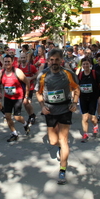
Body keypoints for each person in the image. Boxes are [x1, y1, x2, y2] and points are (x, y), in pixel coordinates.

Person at [35, 49, 80, 185]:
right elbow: (38, 92)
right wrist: (42, 106)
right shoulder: (43, 75)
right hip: (50, 109)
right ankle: (61, 148)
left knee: (63, 139)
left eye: (57, 60)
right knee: (53, 141)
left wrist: (74, 103)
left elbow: (76, 89)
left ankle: (62, 169)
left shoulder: (68, 74)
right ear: (48, 60)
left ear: (62, 60)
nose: (54, 63)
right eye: (51, 60)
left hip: (65, 108)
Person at [0, 55, 31, 142]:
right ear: (3, 62)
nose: (7, 63)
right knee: (7, 116)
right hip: (7, 97)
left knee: (17, 117)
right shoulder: (1, 72)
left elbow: (27, 83)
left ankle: (25, 123)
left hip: (18, 97)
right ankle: (14, 133)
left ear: (12, 62)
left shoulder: (17, 72)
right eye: (5, 62)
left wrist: (26, 97)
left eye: (8, 61)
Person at [78, 58, 100, 142]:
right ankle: (85, 134)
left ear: (90, 65)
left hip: (93, 97)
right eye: (84, 64)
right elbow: (76, 86)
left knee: (92, 118)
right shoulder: (80, 75)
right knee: (84, 117)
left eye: (87, 64)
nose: (85, 65)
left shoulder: (95, 74)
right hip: (82, 98)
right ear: (82, 65)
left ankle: (95, 125)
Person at [18, 52, 38, 124]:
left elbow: (37, 73)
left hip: (30, 86)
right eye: (21, 58)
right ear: (20, 58)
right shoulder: (18, 67)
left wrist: (31, 78)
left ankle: (32, 116)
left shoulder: (31, 66)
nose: (23, 59)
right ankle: (31, 115)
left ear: (26, 58)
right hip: (21, 87)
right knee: (25, 103)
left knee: (27, 102)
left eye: (24, 57)